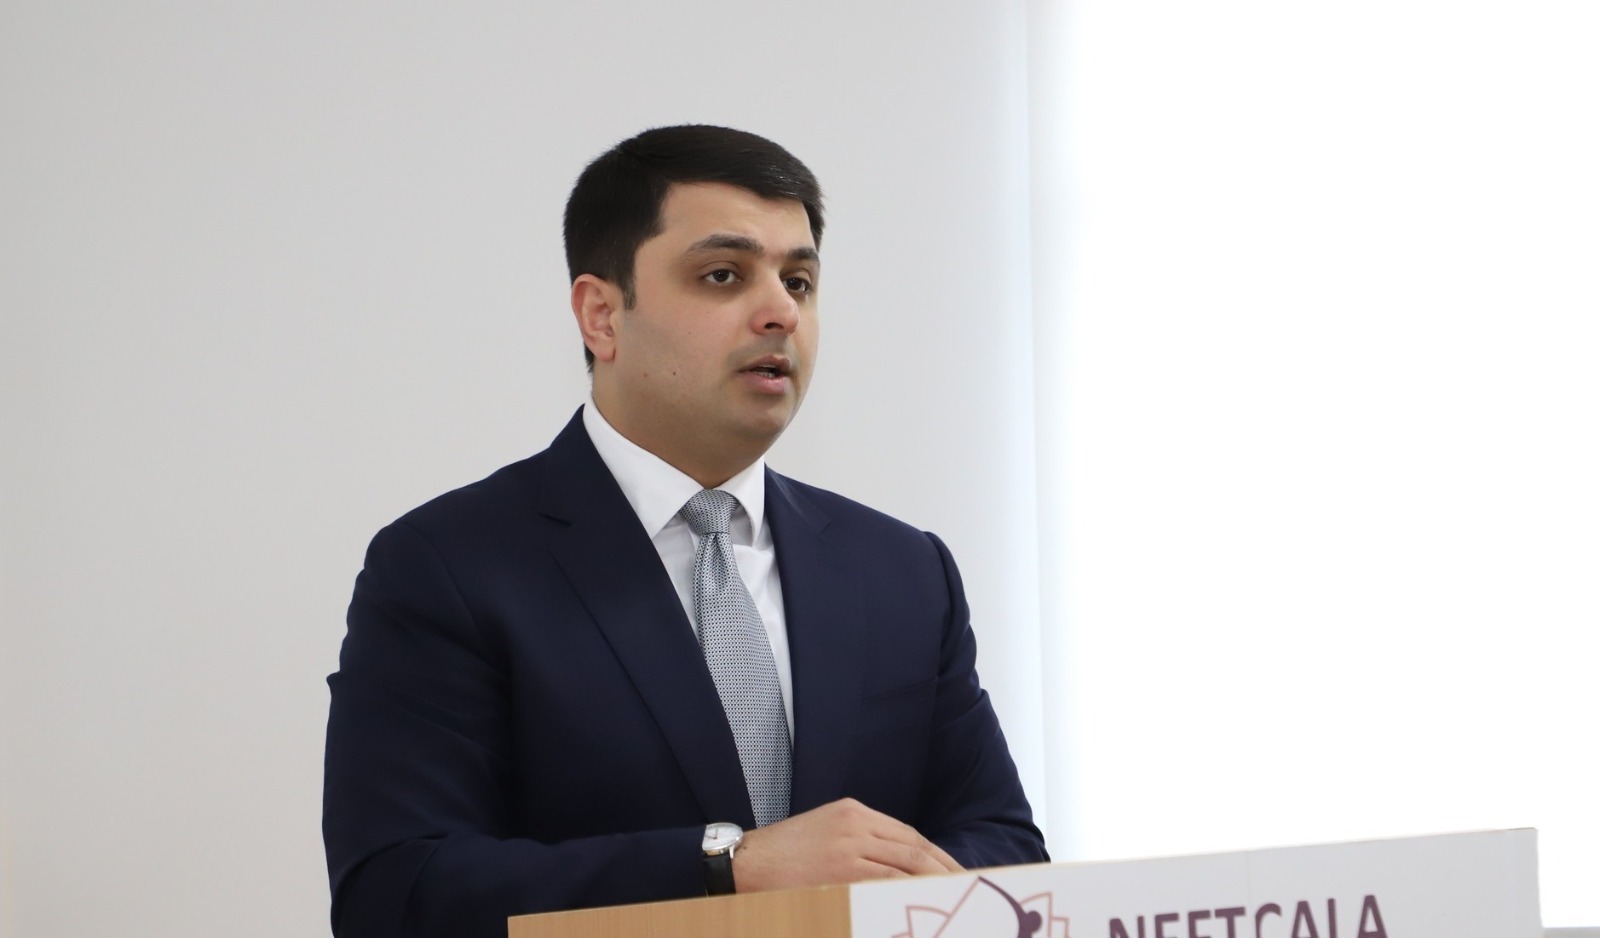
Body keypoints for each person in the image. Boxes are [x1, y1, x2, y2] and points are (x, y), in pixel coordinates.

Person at [322, 124, 1046, 938]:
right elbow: (398, 891)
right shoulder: (448, 566)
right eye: (723, 275)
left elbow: (1005, 846)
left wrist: (897, 885)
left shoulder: (903, 570)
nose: (780, 312)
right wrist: (727, 868)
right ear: (601, 315)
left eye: (799, 281)